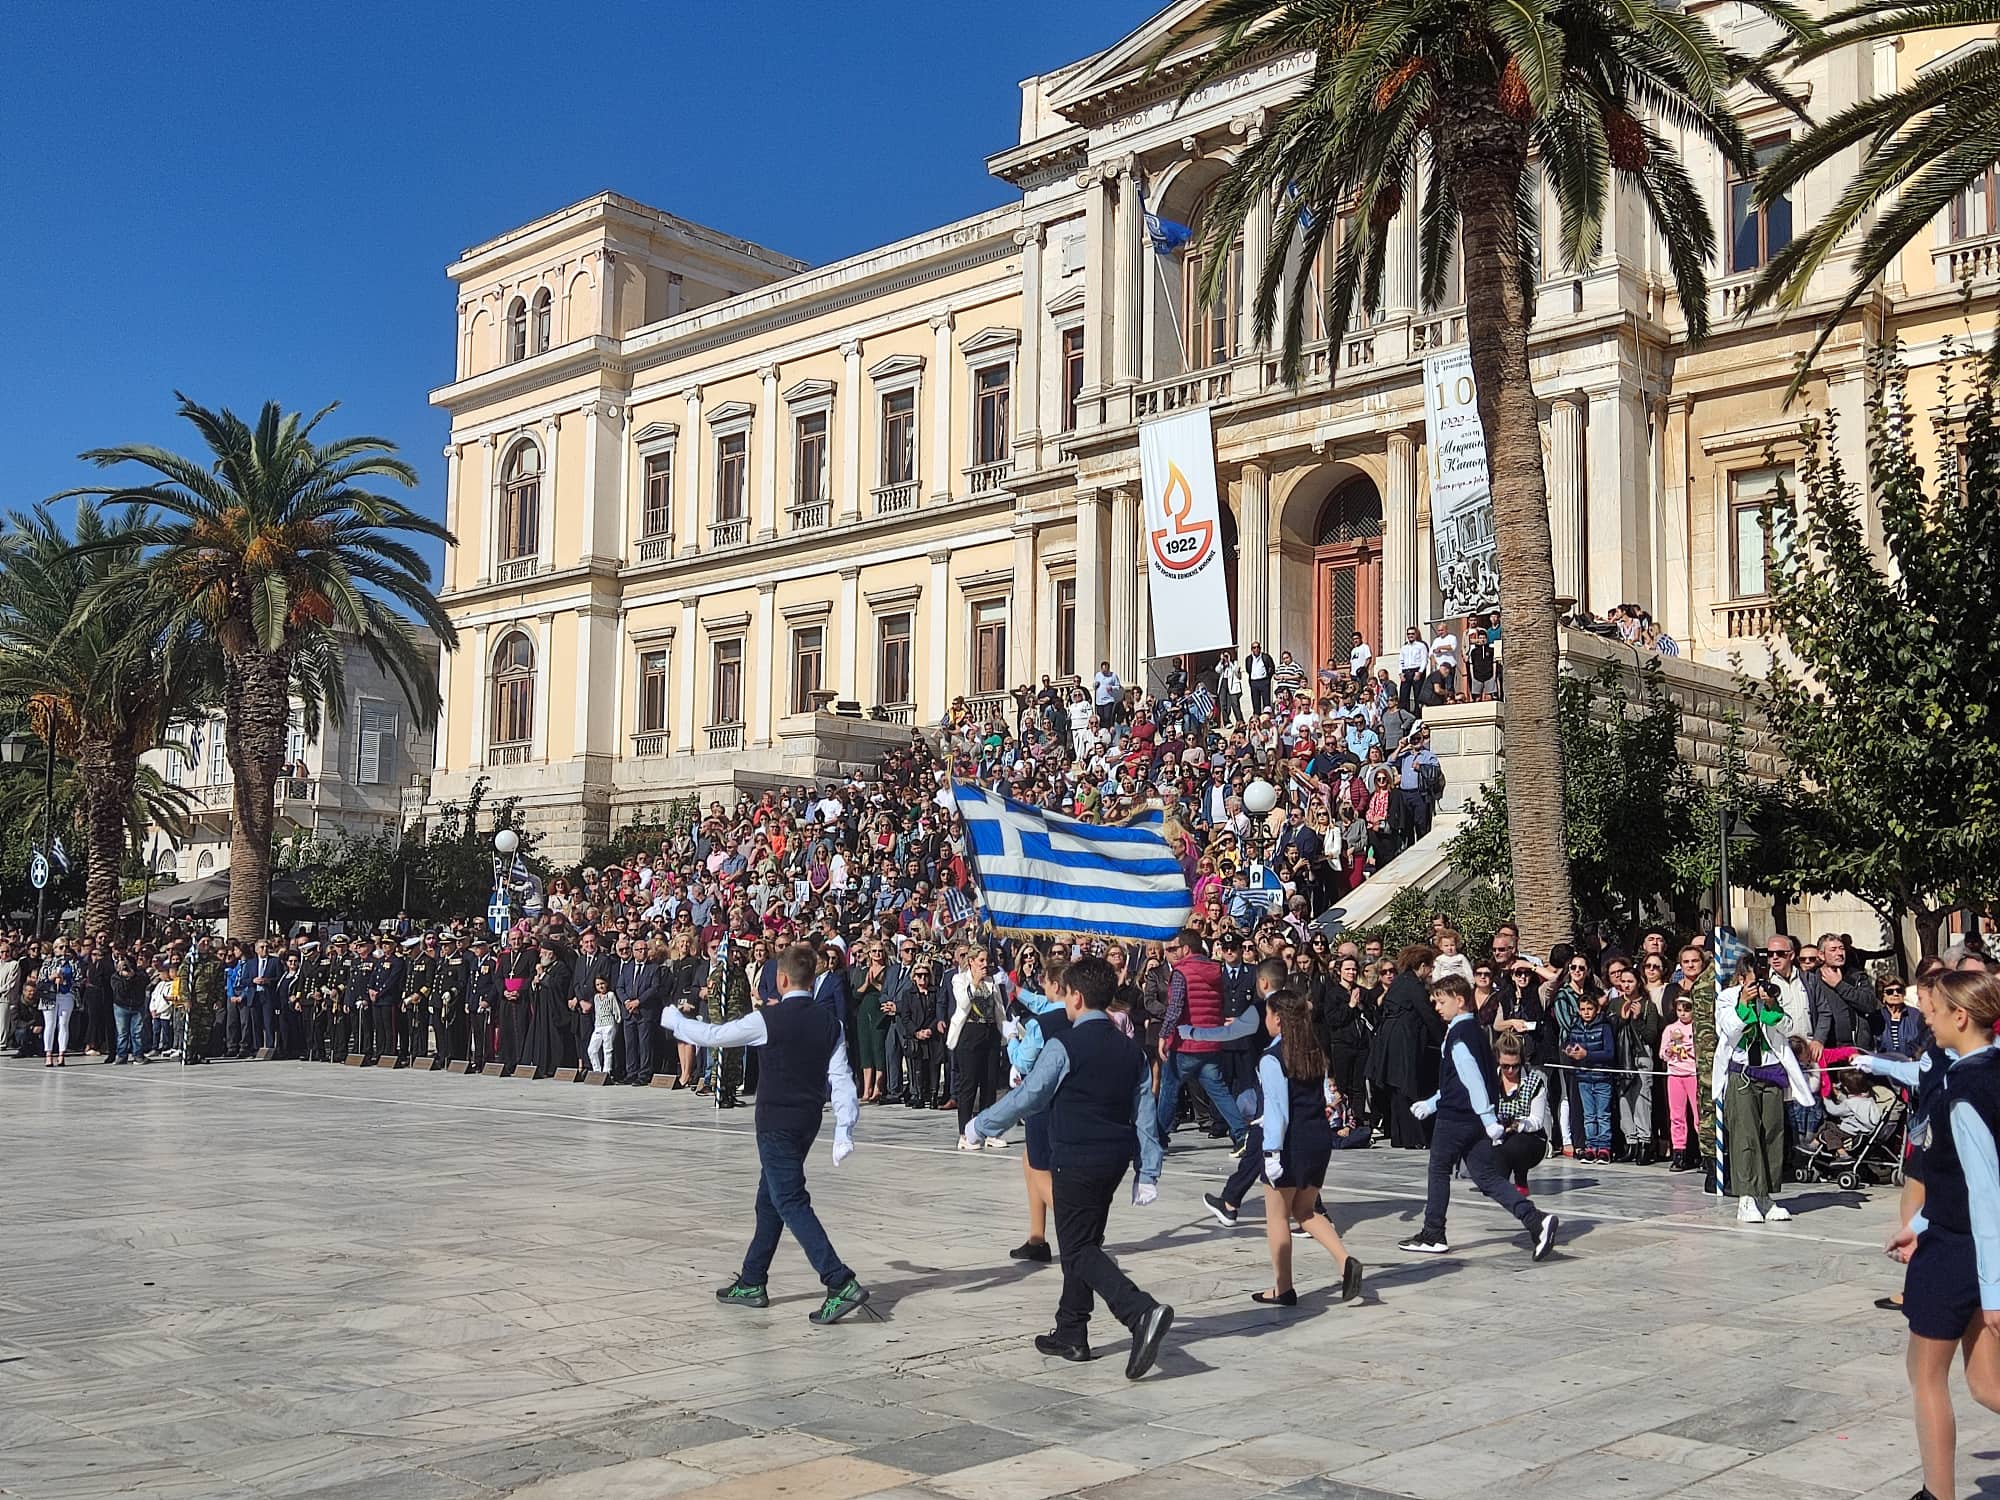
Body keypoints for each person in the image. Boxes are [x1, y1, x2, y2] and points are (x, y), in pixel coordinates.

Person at [965, 955, 1173, 1379]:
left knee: (1078, 1250)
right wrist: (1148, 1170)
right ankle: (1071, 1330)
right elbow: (1145, 1112)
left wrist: (981, 1124)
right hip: (1113, 1159)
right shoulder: (1130, 1050)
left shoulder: (1065, 1045)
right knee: (1085, 1242)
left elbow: (1030, 1096)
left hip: (1076, 1157)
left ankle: (1139, 1311)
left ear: (1075, 997)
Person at [661, 943, 869, 1326]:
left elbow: (715, 1035)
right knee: (769, 1200)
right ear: (812, 980)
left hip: (776, 1123)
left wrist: (675, 1021)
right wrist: (845, 1127)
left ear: (782, 979)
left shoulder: (766, 1020)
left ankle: (838, 1280)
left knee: (789, 1200)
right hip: (807, 1121)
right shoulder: (830, 1024)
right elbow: (841, 1079)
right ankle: (753, 1279)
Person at [1881, 970, 2000, 1500]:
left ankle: (1937, 1494)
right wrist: (1919, 1224)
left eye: (1937, 1011)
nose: (1927, 1018)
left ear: (1962, 1016)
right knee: (1986, 1383)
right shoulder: (1990, 1071)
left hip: (1959, 1252)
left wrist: (1993, 1293)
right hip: (1960, 1239)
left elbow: (1986, 1193)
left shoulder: (1965, 1091)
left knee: (1925, 1374)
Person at [1397, 974, 1560, 1260]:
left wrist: (1487, 1119)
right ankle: (1536, 1221)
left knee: (1439, 1169)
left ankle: (1433, 1233)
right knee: (1486, 1176)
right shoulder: (1475, 1030)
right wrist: (1432, 1103)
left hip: (1457, 1118)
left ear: (1459, 1001)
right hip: (1470, 1118)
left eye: (1441, 1002)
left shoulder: (1459, 1037)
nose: (1436, 1007)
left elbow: (1472, 1080)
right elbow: (1460, 1081)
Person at [1249, 988, 1364, 1306]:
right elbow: (1325, 1095)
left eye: (1268, 1014)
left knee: (1277, 1217)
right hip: (1317, 1139)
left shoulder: (1272, 1058)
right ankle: (1345, 1261)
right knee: (1305, 1210)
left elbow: (1278, 1110)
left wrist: (1271, 1153)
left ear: (1278, 1019)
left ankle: (1283, 1288)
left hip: (1290, 1142)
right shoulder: (1313, 1051)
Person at [1713, 955, 1816, 1222]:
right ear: (1741, 979)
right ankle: (1746, 1196)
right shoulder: (1726, 998)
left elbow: (1788, 1027)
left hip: (1771, 1072)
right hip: (1742, 1073)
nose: (1759, 985)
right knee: (1745, 1135)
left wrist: (1771, 1005)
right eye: (1753, 980)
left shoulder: (1771, 995)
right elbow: (1729, 1029)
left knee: (1772, 1132)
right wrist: (1744, 1003)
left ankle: (1765, 1195)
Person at [1492, 1033, 1549, 1191]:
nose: (1510, 1070)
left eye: (1515, 1066)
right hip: (1496, 1135)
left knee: (1514, 1145)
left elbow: (1537, 1121)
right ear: (1498, 1060)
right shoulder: (1490, 1080)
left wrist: (1515, 1125)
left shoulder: (1534, 1082)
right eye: (1505, 1066)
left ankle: (1520, 1177)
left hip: (1530, 1138)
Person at [1661, 994, 1701, 1171]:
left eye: (1686, 1010)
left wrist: (1688, 1048)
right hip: (1675, 1075)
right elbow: (1662, 1053)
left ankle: (1705, 1154)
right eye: (1679, 1010)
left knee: (1698, 1116)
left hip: (1693, 1074)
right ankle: (1679, 1153)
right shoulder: (1670, 1029)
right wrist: (1670, 1050)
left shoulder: (1697, 1027)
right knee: (1677, 1116)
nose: (1682, 1014)